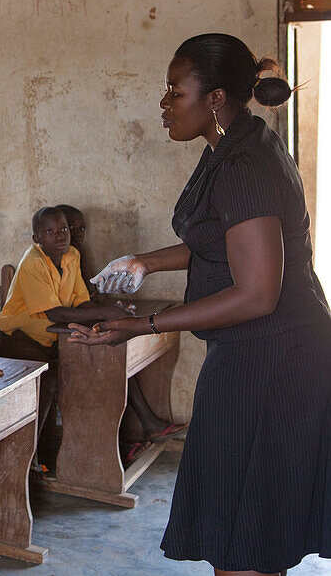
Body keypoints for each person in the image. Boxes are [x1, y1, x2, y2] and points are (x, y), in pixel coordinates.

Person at [76, 33, 331, 574]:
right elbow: (219, 240)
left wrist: (144, 323)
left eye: (175, 91)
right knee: (242, 528)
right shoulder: (231, 146)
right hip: (253, 353)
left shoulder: (246, 165)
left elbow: (257, 293)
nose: (165, 104)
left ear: (214, 98)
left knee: (249, 531)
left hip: (275, 361)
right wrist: (143, 261)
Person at [0, 207, 142, 470]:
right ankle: (29, 457)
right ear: (36, 238)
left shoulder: (71, 256)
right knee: (48, 381)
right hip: (16, 338)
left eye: (63, 229)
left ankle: (68, 455)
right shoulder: (33, 262)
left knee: (89, 367)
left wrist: (111, 315)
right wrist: (105, 312)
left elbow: (81, 303)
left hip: (50, 338)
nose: (60, 236)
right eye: (50, 232)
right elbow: (55, 312)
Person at [55, 204, 94, 294]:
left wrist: (82, 255)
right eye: (71, 227)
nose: (79, 233)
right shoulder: (51, 260)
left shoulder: (75, 255)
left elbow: (91, 292)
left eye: (82, 228)